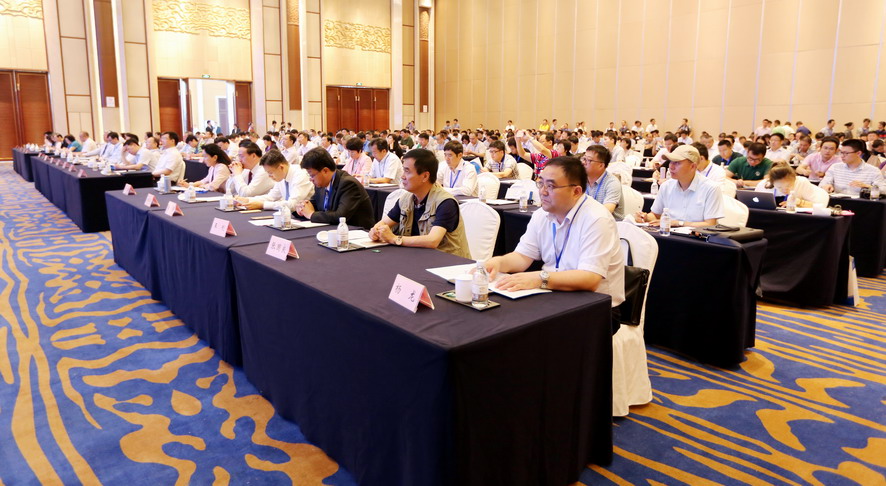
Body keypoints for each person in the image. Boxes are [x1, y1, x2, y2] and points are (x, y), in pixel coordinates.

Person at [483, 157, 624, 314]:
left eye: (550, 186)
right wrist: (498, 263)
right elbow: (522, 256)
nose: (542, 192)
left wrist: (539, 278)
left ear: (576, 191)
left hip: (596, 308)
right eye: (541, 183)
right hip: (553, 295)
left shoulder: (597, 219)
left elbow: (590, 279)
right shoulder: (541, 214)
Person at [367, 148, 470, 257]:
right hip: (417, 257)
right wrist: (375, 231)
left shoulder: (446, 202)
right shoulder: (405, 199)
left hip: (447, 262)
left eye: (407, 171)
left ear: (425, 176)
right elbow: (383, 223)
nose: (402, 176)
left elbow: (433, 240)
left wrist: (395, 239)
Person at [635, 145, 724, 227]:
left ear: (693, 166)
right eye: (671, 162)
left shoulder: (711, 188)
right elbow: (655, 215)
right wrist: (645, 217)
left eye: (677, 163)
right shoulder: (666, 186)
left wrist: (677, 223)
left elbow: (710, 224)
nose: (671, 167)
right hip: (669, 236)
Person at [294, 147, 375, 229]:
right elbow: (313, 204)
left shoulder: (348, 184)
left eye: (312, 175)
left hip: (355, 232)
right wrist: (302, 207)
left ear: (325, 171)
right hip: (332, 230)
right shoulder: (321, 184)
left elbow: (340, 216)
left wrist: (311, 214)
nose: (310, 179)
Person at [234, 148, 313, 210]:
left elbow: (293, 204)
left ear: (281, 167)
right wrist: (247, 200)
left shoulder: (300, 175)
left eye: (270, 173)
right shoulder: (282, 176)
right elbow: (271, 197)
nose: (269, 176)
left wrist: (262, 205)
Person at [819, 139, 884, 194]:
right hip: (838, 202)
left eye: (846, 153)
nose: (842, 156)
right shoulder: (835, 167)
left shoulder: (873, 170)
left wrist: (867, 187)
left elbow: (884, 190)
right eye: (841, 152)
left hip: (862, 203)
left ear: (858, 153)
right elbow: (822, 185)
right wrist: (826, 186)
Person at [754, 162, 828, 207]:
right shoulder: (764, 184)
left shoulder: (801, 182)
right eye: (779, 187)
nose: (784, 190)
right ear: (772, 182)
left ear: (795, 179)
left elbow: (820, 206)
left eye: (788, 186)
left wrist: (799, 202)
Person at [582, 145, 624, 220]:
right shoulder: (580, 179)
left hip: (610, 224)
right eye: (584, 159)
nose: (583, 162)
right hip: (587, 222)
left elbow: (606, 211)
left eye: (589, 160)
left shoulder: (612, 183)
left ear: (601, 165)